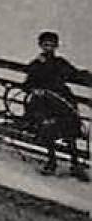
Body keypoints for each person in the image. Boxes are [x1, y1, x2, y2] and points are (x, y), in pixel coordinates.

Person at [21, 31, 90, 179]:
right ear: (40, 45)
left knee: (70, 131)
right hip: (44, 103)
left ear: (56, 46)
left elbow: (75, 74)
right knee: (47, 130)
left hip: (61, 101)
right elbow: (27, 84)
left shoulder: (60, 63)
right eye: (45, 45)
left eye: (51, 45)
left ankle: (75, 164)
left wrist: (87, 77)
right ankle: (51, 161)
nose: (48, 48)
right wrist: (35, 90)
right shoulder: (36, 64)